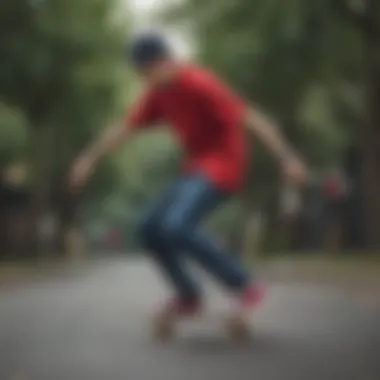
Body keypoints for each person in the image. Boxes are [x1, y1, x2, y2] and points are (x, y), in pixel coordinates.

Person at [69, 32, 307, 323]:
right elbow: (124, 128)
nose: (144, 79)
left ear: (164, 62)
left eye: (146, 72)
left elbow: (251, 118)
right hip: (195, 170)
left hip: (224, 167)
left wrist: (287, 157)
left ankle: (244, 285)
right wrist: (89, 158)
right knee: (148, 228)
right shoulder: (157, 94)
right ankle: (188, 296)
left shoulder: (200, 83)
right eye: (139, 74)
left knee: (176, 226)